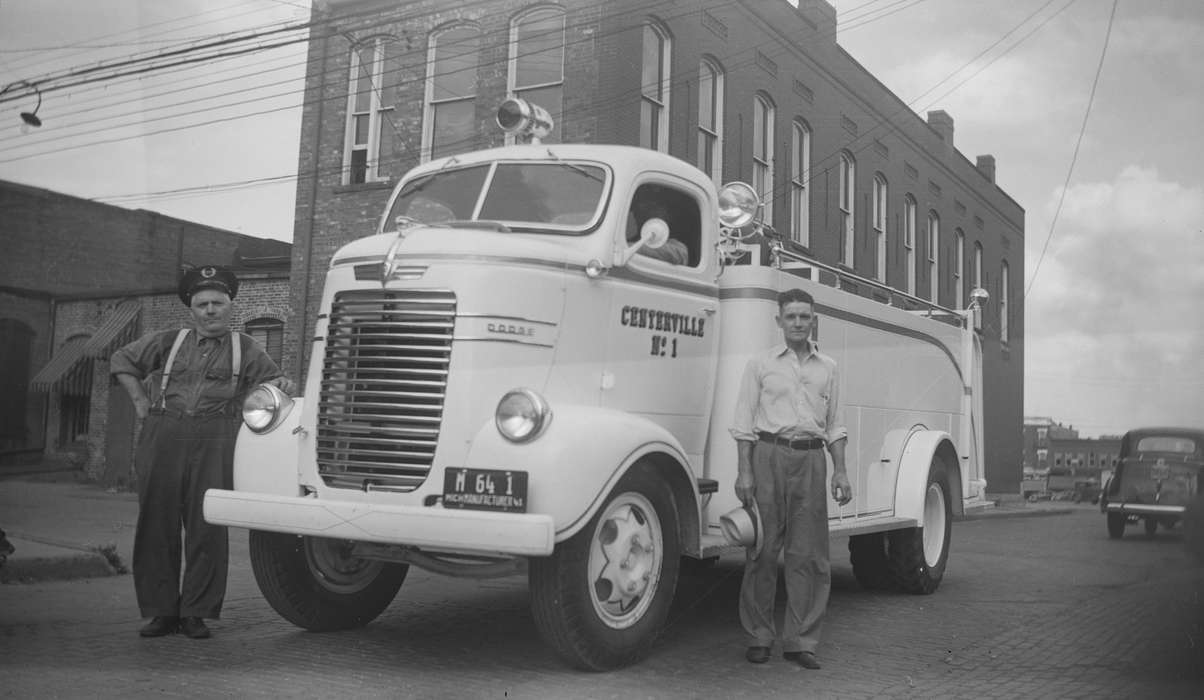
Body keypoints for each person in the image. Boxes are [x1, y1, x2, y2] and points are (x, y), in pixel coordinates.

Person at [110, 265, 296, 639]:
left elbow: (276, 386)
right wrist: (142, 403)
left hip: (216, 437)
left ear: (230, 305)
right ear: (191, 309)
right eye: (202, 304)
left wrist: (278, 386)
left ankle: (196, 612)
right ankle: (161, 612)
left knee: (206, 525)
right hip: (163, 433)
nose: (210, 310)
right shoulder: (168, 340)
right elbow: (122, 361)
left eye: (217, 303)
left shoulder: (248, 348)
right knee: (156, 524)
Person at [729, 287, 852, 669]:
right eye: (791, 316)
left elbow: (835, 426)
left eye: (805, 316)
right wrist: (745, 471)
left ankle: (801, 641)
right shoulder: (761, 364)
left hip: (811, 459)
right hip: (768, 455)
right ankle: (759, 636)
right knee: (763, 551)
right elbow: (743, 423)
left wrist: (841, 470)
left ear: (813, 321)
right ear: (779, 320)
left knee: (809, 555)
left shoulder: (828, 367)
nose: (798, 322)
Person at [626, 200, 690, 265]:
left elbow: (680, 254)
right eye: (637, 211)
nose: (641, 215)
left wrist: (628, 248)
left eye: (649, 209)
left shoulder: (676, 246)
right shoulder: (629, 241)